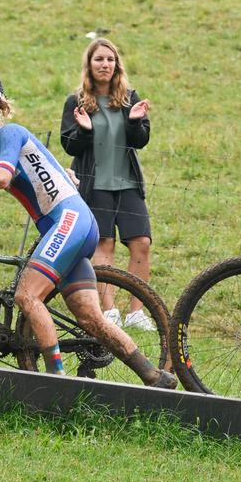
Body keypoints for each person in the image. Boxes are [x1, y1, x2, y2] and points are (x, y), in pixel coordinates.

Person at [0, 81, 176, 387]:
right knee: (90, 318)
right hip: (71, 226)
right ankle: (153, 375)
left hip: (69, 222)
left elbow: (1, 178)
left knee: (26, 296)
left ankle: (55, 382)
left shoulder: (9, 134)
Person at [60, 38, 155, 329]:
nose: (105, 65)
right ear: (89, 65)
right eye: (99, 59)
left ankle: (136, 312)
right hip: (94, 184)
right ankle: (109, 310)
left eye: (110, 59)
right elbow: (69, 146)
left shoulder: (129, 98)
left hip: (127, 183)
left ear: (117, 65)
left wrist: (135, 122)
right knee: (105, 244)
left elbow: (141, 140)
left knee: (141, 243)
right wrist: (85, 131)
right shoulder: (76, 101)